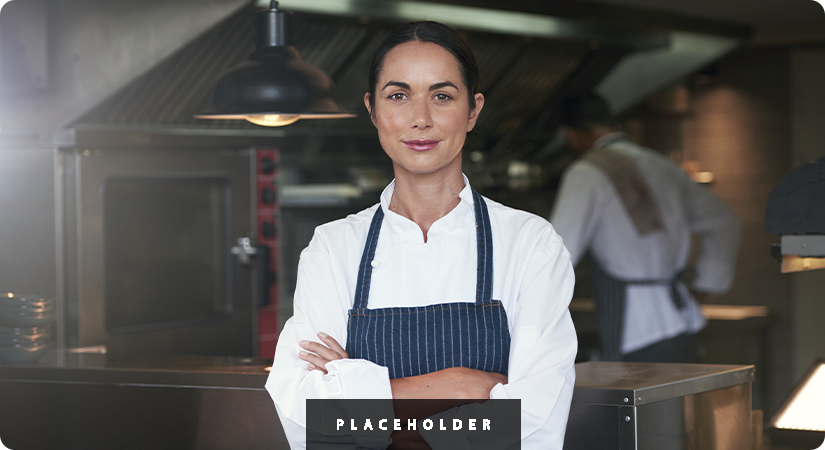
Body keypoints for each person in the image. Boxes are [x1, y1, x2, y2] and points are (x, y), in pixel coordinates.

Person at [265, 21, 577, 449]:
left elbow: (536, 420)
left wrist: (367, 399)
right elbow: (307, 411)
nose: (420, 119)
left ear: (473, 110)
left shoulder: (530, 243)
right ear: (373, 110)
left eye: (442, 96)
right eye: (398, 95)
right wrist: (463, 384)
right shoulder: (334, 247)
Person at [550, 92, 741, 362]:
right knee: (682, 405)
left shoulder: (586, 173)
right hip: (682, 319)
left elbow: (557, 254)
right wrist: (705, 284)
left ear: (571, 134)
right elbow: (724, 222)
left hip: (637, 332)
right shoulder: (662, 165)